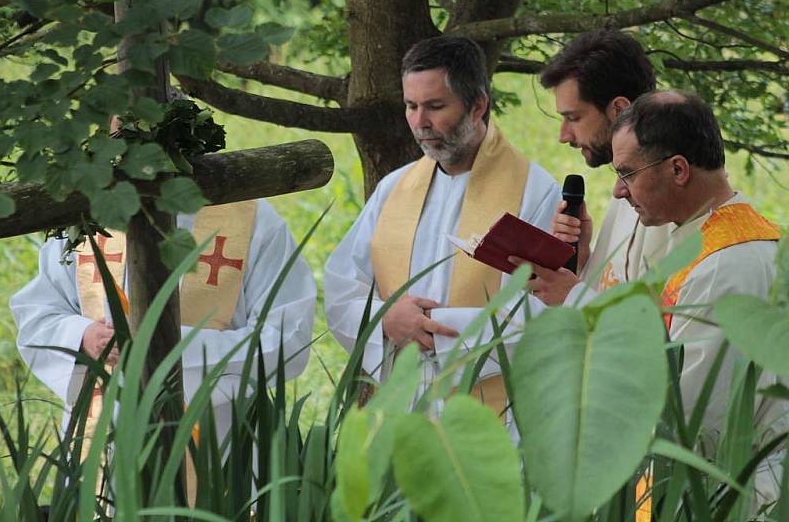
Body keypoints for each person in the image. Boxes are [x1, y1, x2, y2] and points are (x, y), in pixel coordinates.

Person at [526, 91, 785, 507]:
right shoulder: (723, 238)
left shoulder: (723, 265)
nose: (617, 192)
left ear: (678, 169)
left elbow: (690, 422)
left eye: (626, 173)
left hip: (730, 499)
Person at [325, 36, 561, 416]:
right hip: (400, 407)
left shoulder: (534, 191)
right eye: (411, 106)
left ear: (478, 106)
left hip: (492, 414)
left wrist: (438, 331)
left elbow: (545, 308)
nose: (420, 123)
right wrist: (385, 319)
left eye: (435, 106)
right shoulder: (393, 189)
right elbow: (343, 287)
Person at [11, 199, 316, 448]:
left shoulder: (250, 218)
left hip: (220, 433)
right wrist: (85, 336)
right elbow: (39, 316)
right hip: (106, 432)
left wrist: (168, 348)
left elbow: (288, 337)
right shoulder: (87, 214)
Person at [539, 29, 667, 299]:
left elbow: (653, 329)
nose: (564, 137)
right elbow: (611, 289)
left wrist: (571, 295)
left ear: (620, 109)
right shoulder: (625, 184)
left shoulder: (669, 198)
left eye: (573, 118)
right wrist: (584, 258)